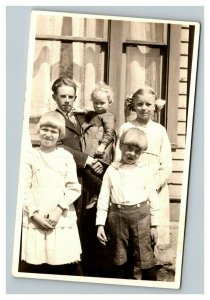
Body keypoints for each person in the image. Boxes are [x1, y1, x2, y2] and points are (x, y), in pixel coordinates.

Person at [20, 111, 82, 275]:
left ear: (60, 134)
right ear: (38, 130)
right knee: (37, 265)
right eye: (45, 129)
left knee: (62, 263)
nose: (48, 134)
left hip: (60, 218)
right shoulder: (29, 155)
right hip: (36, 217)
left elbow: (74, 188)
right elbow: (23, 189)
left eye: (53, 131)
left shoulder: (66, 157)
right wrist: (34, 214)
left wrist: (58, 211)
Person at [96, 128, 160, 280]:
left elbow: (153, 197)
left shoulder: (145, 170)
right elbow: (104, 197)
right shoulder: (112, 169)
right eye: (129, 149)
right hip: (117, 217)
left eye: (137, 151)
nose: (132, 154)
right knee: (119, 257)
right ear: (121, 147)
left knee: (144, 256)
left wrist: (154, 225)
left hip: (141, 217)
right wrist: (100, 224)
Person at [115, 86, 172, 245]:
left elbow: (167, 164)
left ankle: (149, 264)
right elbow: (118, 158)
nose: (144, 108)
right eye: (139, 104)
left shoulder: (160, 130)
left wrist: (152, 185)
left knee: (151, 229)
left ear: (155, 106)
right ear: (133, 105)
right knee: (131, 229)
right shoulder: (126, 127)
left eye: (148, 104)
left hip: (155, 187)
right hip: (130, 186)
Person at [51, 76, 104, 223]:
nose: (67, 100)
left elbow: (99, 128)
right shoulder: (53, 118)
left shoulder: (82, 117)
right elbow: (59, 145)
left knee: (88, 218)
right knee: (71, 217)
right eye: (62, 96)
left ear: (75, 97)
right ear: (54, 97)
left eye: (70, 96)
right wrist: (87, 160)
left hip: (88, 174)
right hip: (67, 174)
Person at [82, 81, 116, 209]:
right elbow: (86, 113)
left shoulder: (108, 116)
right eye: (95, 103)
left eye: (102, 103)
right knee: (88, 172)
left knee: (93, 172)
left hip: (100, 152)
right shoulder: (93, 115)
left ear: (109, 103)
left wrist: (102, 145)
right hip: (90, 151)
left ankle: (98, 193)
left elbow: (109, 132)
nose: (98, 106)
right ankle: (95, 194)